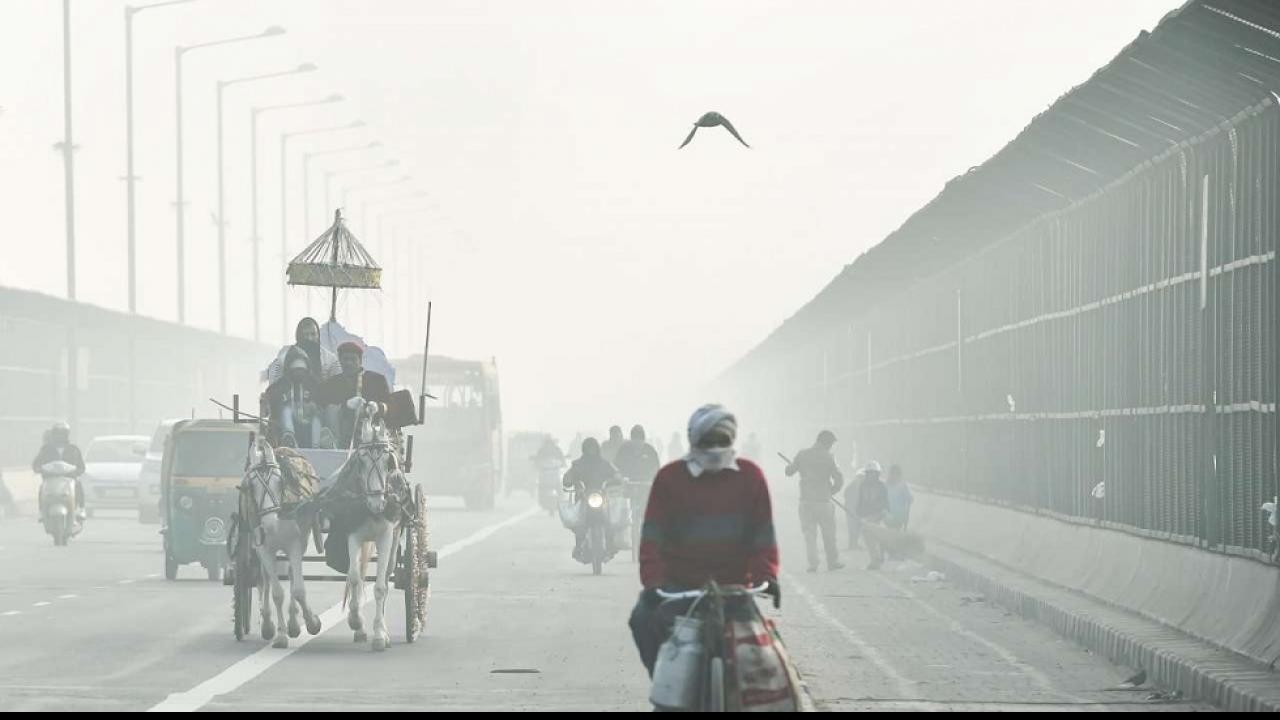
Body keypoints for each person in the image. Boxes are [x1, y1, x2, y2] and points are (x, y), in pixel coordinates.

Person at [628, 404, 780, 676]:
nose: (714, 448)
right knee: (641, 620)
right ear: (693, 440)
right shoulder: (670, 478)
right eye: (707, 441)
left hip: (734, 591)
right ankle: (663, 678)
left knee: (768, 662)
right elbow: (652, 539)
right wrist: (653, 584)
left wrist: (767, 576)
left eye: (721, 441)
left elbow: (763, 537)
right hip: (679, 589)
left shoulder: (750, 477)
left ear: (732, 440)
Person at [785, 430, 845, 572]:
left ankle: (813, 563)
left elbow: (789, 472)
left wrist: (791, 466)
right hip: (823, 500)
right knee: (829, 533)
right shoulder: (829, 457)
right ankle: (832, 561)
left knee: (809, 535)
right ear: (827, 442)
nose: (831, 446)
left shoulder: (802, 454)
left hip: (806, 500)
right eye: (831, 443)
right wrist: (832, 491)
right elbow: (839, 479)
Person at [315, 341, 393, 447]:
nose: (349, 363)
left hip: (373, 439)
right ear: (340, 361)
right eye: (345, 359)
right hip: (341, 438)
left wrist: (377, 407)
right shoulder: (331, 384)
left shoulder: (377, 380)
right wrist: (345, 406)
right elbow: (322, 408)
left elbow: (390, 406)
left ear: (360, 361)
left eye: (353, 359)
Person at [562, 437, 621, 560]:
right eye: (588, 448)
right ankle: (579, 546)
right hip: (583, 497)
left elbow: (615, 473)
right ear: (584, 449)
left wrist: (617, 478)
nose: (591, 451)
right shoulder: (578, 464)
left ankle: (611, 544)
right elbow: (569, 475)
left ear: (597, 449)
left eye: (593, 448)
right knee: (578, 524)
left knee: (611, 520)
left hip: (601, 496)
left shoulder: (604, 463)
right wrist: (567, 480)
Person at [264, 347, 330, 448]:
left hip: (309, 420)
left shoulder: (314, 384)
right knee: (286, 410)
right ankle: (289, 436)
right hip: (286, 422)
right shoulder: (279, 386)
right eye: (295, 370)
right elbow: (271, 404)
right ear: (288, 370)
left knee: (316, 418)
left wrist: (313, 407)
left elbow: (323, 403)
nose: (299, 374)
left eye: (302, 370)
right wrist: (282, 400)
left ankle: (316, 445)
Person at [31, 422, 86, 522]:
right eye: (57, 433)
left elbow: (81, 466)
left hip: (69, 480)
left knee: (78, 484)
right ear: (53, 434)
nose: (60, 436)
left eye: (63, 433)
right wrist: (38, 469)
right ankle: (42, 511)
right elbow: (36, 463)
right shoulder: (46, 449)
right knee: (42, 487)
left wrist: (77, 471)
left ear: (67, 435)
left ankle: (81, 509)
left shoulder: (73, 449)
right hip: (50, 480)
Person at [266, 316, 341, 385]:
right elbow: (274, 377)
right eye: (306, 334)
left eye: (313, 334)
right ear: (299, 336)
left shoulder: (329, 359)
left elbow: (337, 383)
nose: (309, 338)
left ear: (318, 335)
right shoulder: (286, 354)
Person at [854, 461, 889, 570]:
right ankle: (876, 559)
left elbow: (885, 502)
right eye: (869, 474)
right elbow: (860, 502)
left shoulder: (881, 486)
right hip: (867, 516)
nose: (871, 476)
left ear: (877, 474)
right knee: (869, 538)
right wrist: (859, 514)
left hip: (879, 515)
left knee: (875, 537)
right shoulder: (863, 486)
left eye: (873, 474)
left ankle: (877, 559)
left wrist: (882, 513)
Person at [885, 464, 912, 530]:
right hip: (886, 514)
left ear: (899, 475)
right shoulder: (886, 485)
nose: (894, 476)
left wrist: (905, 520)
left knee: (895, 523)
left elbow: (909, 499)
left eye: (897, 474)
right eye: (893, 473)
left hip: (898, 516)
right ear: (890, 474)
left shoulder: (903, 486)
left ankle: (896, 531)